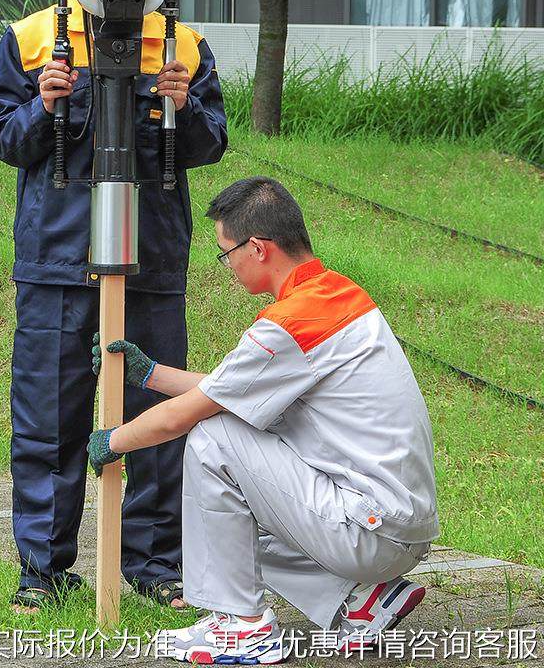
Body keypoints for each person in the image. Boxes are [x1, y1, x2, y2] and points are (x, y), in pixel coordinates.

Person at [0, 0, 228, 611]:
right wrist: (43, 105)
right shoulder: (30, 40)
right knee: (49, 418)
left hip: (150, 259)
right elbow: (3, 137)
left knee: (156, 416)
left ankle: (152, 566)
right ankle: (43, 570)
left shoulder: (182, 42)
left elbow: (211, 144)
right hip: (57, 263)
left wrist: (181, 109)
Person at [89, 176, 439, 664]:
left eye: (226, 253)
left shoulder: (291, 325)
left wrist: (115, 440)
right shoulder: (335, 297)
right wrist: (152, 376)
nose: (227, 265)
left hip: (368, 531)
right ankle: (362, 600)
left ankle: (244, 628)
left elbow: (189, 417)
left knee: (214, 439)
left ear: (257, 248)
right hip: (392, 526)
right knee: (219, 529)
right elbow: (231, 390)